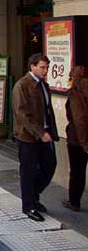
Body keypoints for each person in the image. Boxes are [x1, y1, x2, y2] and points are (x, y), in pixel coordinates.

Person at [12, 53, 59, 222]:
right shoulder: (22, 86)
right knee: (28, 172)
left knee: (50, 166)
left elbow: (48, 110)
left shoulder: (43, 85)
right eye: (42, 67)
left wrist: (51, 132)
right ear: (32, 66)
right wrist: (40, 133)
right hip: (28, 137)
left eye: (47, 67)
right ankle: (29, 205)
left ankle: (33, 195)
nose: (46, 71)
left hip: (45, 134)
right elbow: (23, 114)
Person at [63, 65, 88, 212]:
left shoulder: (76, 93)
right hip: (81, 139)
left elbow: (79, 119)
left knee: (77, 172)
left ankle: (74, 201)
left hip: (78, 140)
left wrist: (84, 142)